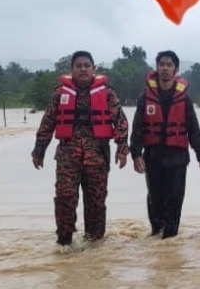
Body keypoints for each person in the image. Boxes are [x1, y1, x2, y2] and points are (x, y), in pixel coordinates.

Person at [31, 51, 130, 246]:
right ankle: (64, 242)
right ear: (71, 70)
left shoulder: (108, 93)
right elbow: (47, 122)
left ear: (94, 69)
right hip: (68, 156)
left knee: (96, 202)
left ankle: (95, 245)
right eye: (79, 66)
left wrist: (122, 148)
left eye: (87, 65)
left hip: (97, 157)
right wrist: (39, 151)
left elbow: (120, 121)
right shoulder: (60, 93)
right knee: (65, 198)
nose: (83, 69)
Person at [130, 50, 200, 238]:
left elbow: (193, 129)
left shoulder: (185, 99)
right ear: (156, 68)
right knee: (155, 198)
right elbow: (137, 129)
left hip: (177, 158)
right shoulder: (145, 98)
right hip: (153, 156)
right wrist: (135, 154)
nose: (165, 68)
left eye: (169, 65)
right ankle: (157, 234)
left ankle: (170, 239)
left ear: (176, 69)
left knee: (174, 199)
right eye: (162, 64)